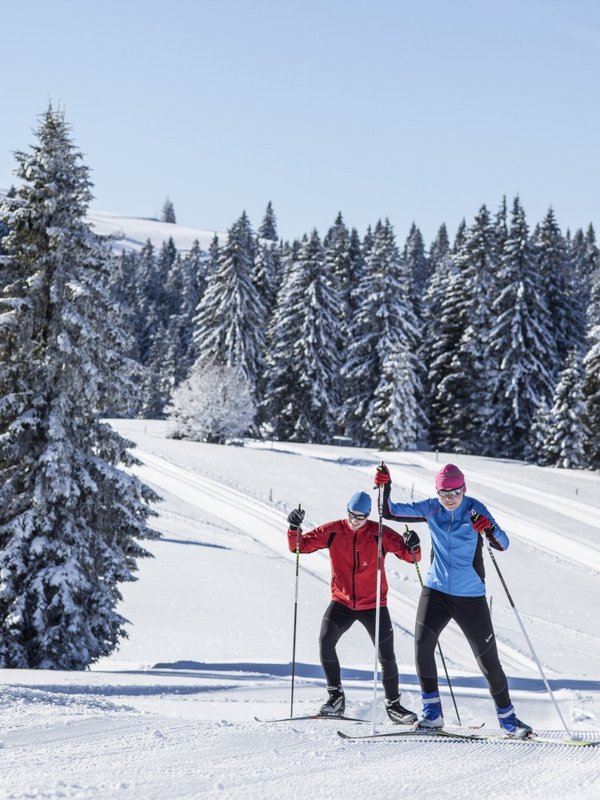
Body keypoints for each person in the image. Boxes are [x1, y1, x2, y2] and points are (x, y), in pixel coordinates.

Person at [374, 462, 533, 738]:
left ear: (463, 490)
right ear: (437, 492)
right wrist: (384, 486)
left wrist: (488, 530)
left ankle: (509, 720)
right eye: (443, 493)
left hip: (470, 596)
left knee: (488, 661)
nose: (449, 499)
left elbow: (503, 543)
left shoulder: (474, 509)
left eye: (454, 493)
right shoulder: (431, 508)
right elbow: (389, 511)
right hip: (436, 590)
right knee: (422, 645)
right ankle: (432, 714)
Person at [286, 490, 421, 723]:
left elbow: (412, 557)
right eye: (352, 514)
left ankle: (394, 706)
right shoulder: (333, 530)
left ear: (368, 515)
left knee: (386, 656)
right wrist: (293, 527)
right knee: (326, 642)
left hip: (374, 605)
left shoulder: (379, 534)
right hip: (342, 602)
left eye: (361, 516)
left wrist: (413, 545)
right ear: (346, 510)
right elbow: (300, 546)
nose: (355, 520)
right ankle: (335, 698)